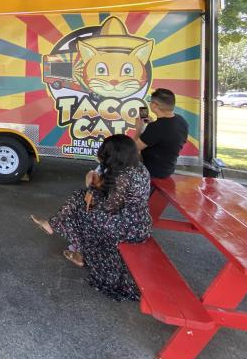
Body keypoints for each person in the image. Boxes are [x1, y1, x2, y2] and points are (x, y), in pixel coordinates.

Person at [30, 134, 151, 301]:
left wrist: (91, 185)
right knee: (80, 199)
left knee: (82, 211)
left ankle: (68, 240)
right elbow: (113, 200)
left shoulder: (123, 176)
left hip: (128, 227)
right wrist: (95, 188)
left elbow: (109, 207)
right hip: (136, 220)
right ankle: (55, 227)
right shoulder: (138, 167)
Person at [133, 88, 189, 178]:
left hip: (151, 173)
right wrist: (152, 124)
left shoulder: (156, 127)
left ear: (155, 106)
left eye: (150, 101)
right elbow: (165, 136)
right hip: (168, 169)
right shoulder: (181, 120)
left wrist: (139, 129)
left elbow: (134, 148)